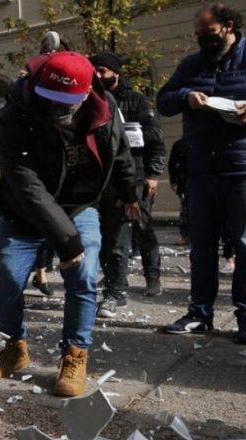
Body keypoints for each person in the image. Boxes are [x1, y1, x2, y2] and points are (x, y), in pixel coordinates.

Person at [0, 51, 139, 397]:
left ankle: (74, 353)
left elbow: (120, 150)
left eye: (65, 103)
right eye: (49, 100)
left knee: (83, 276)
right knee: (6, 278)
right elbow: (26, 184)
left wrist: (129, 191)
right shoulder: (13, 116)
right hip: (23, 211)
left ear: (86, 93)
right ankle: (15, 347)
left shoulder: (105, 107)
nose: (56, 111)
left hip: (78, 206)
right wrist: (67, 241)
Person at [157, 3, 246, 343]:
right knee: (203, 247)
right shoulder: (191, 64)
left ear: (227, 26)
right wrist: (185, 97)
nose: (203, 41)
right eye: (198, 36)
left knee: (244, 244)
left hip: (241, 170)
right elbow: (163, 99)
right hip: (202, 171)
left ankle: (245, 315)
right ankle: (199, 313)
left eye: (208, 34)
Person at [89, 51, 167, 319]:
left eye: (103, 70)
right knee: (107, 235)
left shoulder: (137, 101)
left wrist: (153, 175)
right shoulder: (91, 100)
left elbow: (156, 139)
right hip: (104, 181)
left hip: (135, 177)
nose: (97, 75)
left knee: (139, 231)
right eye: (94, 69)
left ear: (115, 72)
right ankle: (115, 284)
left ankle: (147, 278)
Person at [168, 138, 189, 245]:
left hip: (189, 180)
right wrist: (174, 181)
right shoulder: (180, 144)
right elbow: (172, 163)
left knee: (187, 210)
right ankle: (185, 235)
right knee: (186, 210)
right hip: (184, 181)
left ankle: (186, 235)